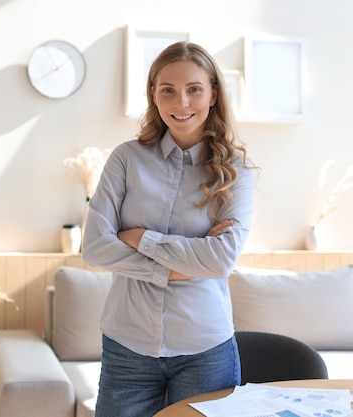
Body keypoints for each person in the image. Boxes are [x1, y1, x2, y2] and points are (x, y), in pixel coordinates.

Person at [82, 41, 256, 417]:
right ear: (153, 95)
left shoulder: (236, 170)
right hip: (127, 344)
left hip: (205, 349)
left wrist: (141, 239)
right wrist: (181, 267)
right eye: (168, 90)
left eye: (194, 89)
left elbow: (222, 259)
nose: (181, 103)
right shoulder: (126, 159)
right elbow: (95, 248)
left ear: (212, 95)